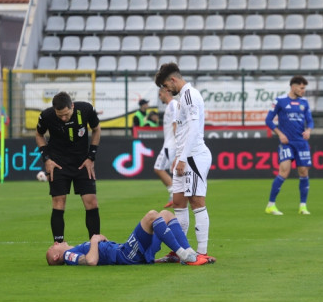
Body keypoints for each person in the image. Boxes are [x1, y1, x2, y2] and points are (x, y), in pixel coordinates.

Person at [155, 62, 212, 255]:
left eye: (165, 85)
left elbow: (195, 129)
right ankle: (180, 250)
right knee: (178, 202)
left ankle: (202, 253)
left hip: (194, 156)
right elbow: (181, 131)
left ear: (173, 79)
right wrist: (178, 156)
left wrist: (183, 157)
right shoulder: (181, 100)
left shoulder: (190, 95)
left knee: (196, 201)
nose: (166, 89)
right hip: (184, 156)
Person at [35, 91, 102, 244]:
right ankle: (59, 244)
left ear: (72, 106)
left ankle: (96, 243)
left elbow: (96, 129)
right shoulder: (46, 116)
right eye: (60, 116)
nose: (63, 118)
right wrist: (47, 159)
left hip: (82, 163)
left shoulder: (86, 110)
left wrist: (91, 157)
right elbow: (39, 135)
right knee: (59, 202)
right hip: (58, 163)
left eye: (66, 114)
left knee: (91, 201)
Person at [46, 209, 214, 266]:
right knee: (151, 216)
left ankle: (189, 253)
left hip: (127, 251)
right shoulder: (69, 255)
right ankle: (185, 255)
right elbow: (91, 262)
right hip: (126, 254)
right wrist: (94, 241)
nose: (54, 243)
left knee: (166, 214)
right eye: (52, 247)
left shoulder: (71, 251)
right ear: (56, 256)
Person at [264, 75, 315, 216]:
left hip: (301, 143)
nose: (303, 90)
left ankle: (303, 206)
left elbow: (310, 121)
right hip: (287, 143)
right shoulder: (280, 101)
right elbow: (268, 120)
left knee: (304, 172)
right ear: (293, 87)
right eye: (301, 88)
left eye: (304, 88)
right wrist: (280, 134)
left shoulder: (304, 103)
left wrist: (308, 130)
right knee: (284, 171)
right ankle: (271, 205)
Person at [153, 86, 178, 207]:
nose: (159, 97)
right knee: (168, 170)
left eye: (160, 94)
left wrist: (179, 145)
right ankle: (176, 195)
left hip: (171, 145)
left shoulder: (173, 104)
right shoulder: (171, 106)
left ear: (166, 92)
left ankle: (175, 194)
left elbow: (175, 125)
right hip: (169, 145)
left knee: (159, 168)